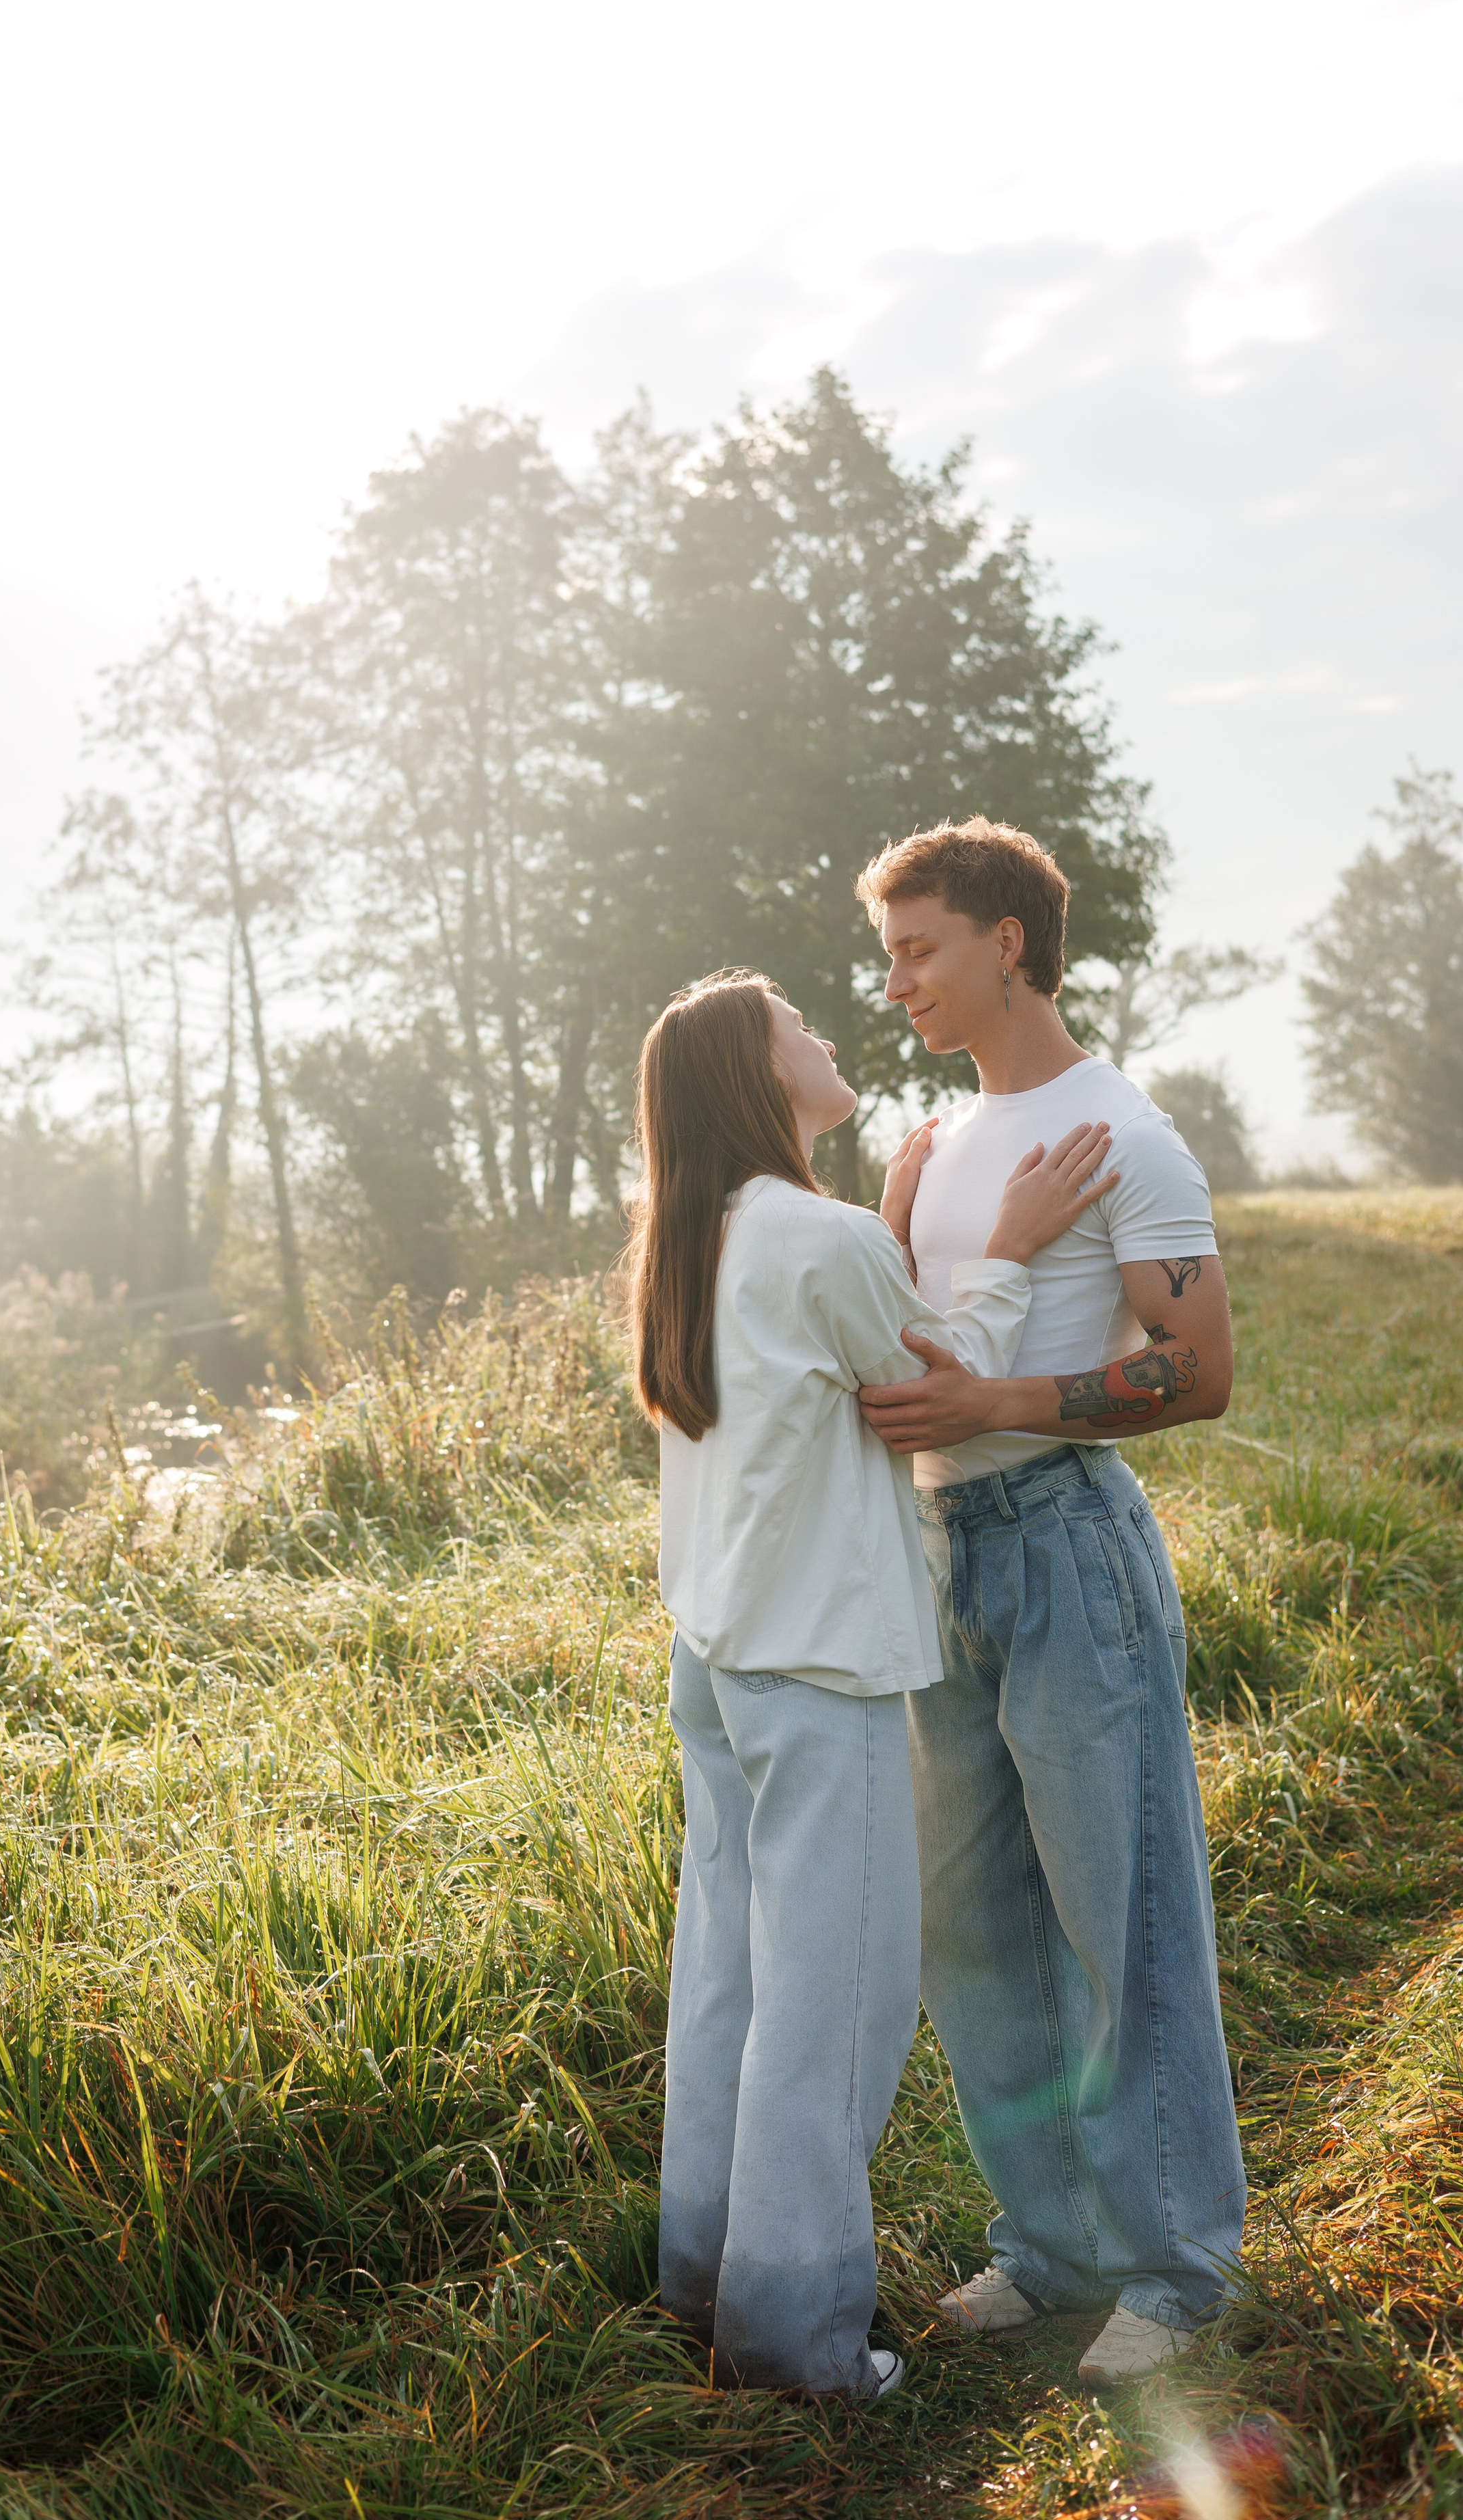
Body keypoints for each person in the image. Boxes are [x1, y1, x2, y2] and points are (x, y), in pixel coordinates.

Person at [630, 966, 1117, 2399]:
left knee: (724, 1980)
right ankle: (797, 2344)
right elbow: (931, 1380)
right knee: (830, 2010)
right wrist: (1011, 1243)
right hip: (817, 1666)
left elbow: (840, 1330)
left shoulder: (694, 1237)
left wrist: (892, 1229)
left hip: (718, 1663)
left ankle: (704, 2276)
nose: (828, 1034)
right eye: (798, 1027)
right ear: (756, 1073)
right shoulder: (819, 1236)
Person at [853, 816, 1246, 2390]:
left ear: (1005, 940)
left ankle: (1172, 2266)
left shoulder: (1120, 1137)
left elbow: (1198, 1374)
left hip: (1066, 1544)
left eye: (918, 949)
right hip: (933, 1561)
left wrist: (997, 1400)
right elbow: (900, 1348)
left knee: (1121, 1916)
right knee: (974, 1927)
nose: (898, 987)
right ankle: (1047, 2243)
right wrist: (889, 1229)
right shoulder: (938, 1146)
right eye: (885, 959)